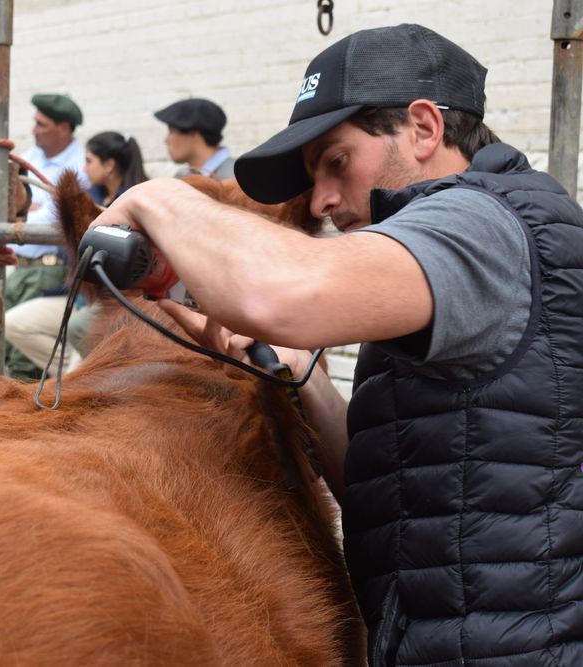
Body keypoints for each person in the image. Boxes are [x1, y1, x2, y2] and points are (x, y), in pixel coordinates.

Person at [92, 24, 582, 666]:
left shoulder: (479, 224)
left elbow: (282, 293)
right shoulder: (444, 256)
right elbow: (392, 494)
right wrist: (299, 371)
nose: (322, 200)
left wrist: (157, 199)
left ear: (425, 128)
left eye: (337, 162)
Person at [6, 131, 149, 370]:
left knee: (79, 333)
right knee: (13, 324)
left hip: (115, 302)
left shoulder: (134, 202)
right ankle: (74, 378)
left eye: (89, 161)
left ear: (110, 165)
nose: (84, 168)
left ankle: (77, 380)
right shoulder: (93, 198)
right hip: (81, 299)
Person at [0, 94, 90, 379]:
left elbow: (54, 219)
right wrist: (28, 211)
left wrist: (25, 213)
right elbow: (0, 206)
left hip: (50, 271)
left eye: (41, 124)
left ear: (63, 128)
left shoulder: (81, 164)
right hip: (19, 266)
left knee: (25, 365)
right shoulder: (29, 158)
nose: (34, 130)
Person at [153, 98, 235, 179]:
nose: (166, 141)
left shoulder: (238, 178)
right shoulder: (182, 177)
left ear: (194, 134)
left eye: (171, 132)